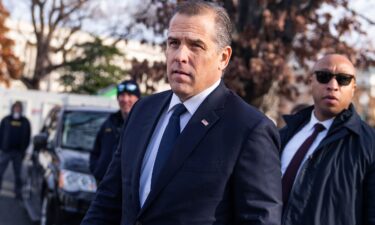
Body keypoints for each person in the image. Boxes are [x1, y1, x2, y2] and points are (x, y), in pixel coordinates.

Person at [82, 1, 282, 225]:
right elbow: (108, 200)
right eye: (174, 43)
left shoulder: (249, 129)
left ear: (223, 58)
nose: (180, 56)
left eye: (195, 46)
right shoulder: (142, 111)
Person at [280, 54, 375, 225]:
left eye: (343, 79)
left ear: (353, 87)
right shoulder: (283, 135)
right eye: (323, 77)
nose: (332, 86)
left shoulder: (369, 145)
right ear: (311, 81)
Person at [90, 79, 140, 183]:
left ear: (138, 98)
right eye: (122, 95)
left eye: (130, 95)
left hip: (129, 188)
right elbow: (95, 151)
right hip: (104, 185)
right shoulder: (109, 123)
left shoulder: (144, 124)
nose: (125, 99)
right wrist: (97, 170)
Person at [0, 101, 31, 200]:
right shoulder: (6, 120)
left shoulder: (25, 122)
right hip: (6, 151)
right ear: (13, 108)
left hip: (18, 153)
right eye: (16, 108)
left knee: (18, 174)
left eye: (19, 108)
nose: (17, 109)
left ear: (21, 109)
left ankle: (18, 193)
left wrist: (24, 150)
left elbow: (28, 137)